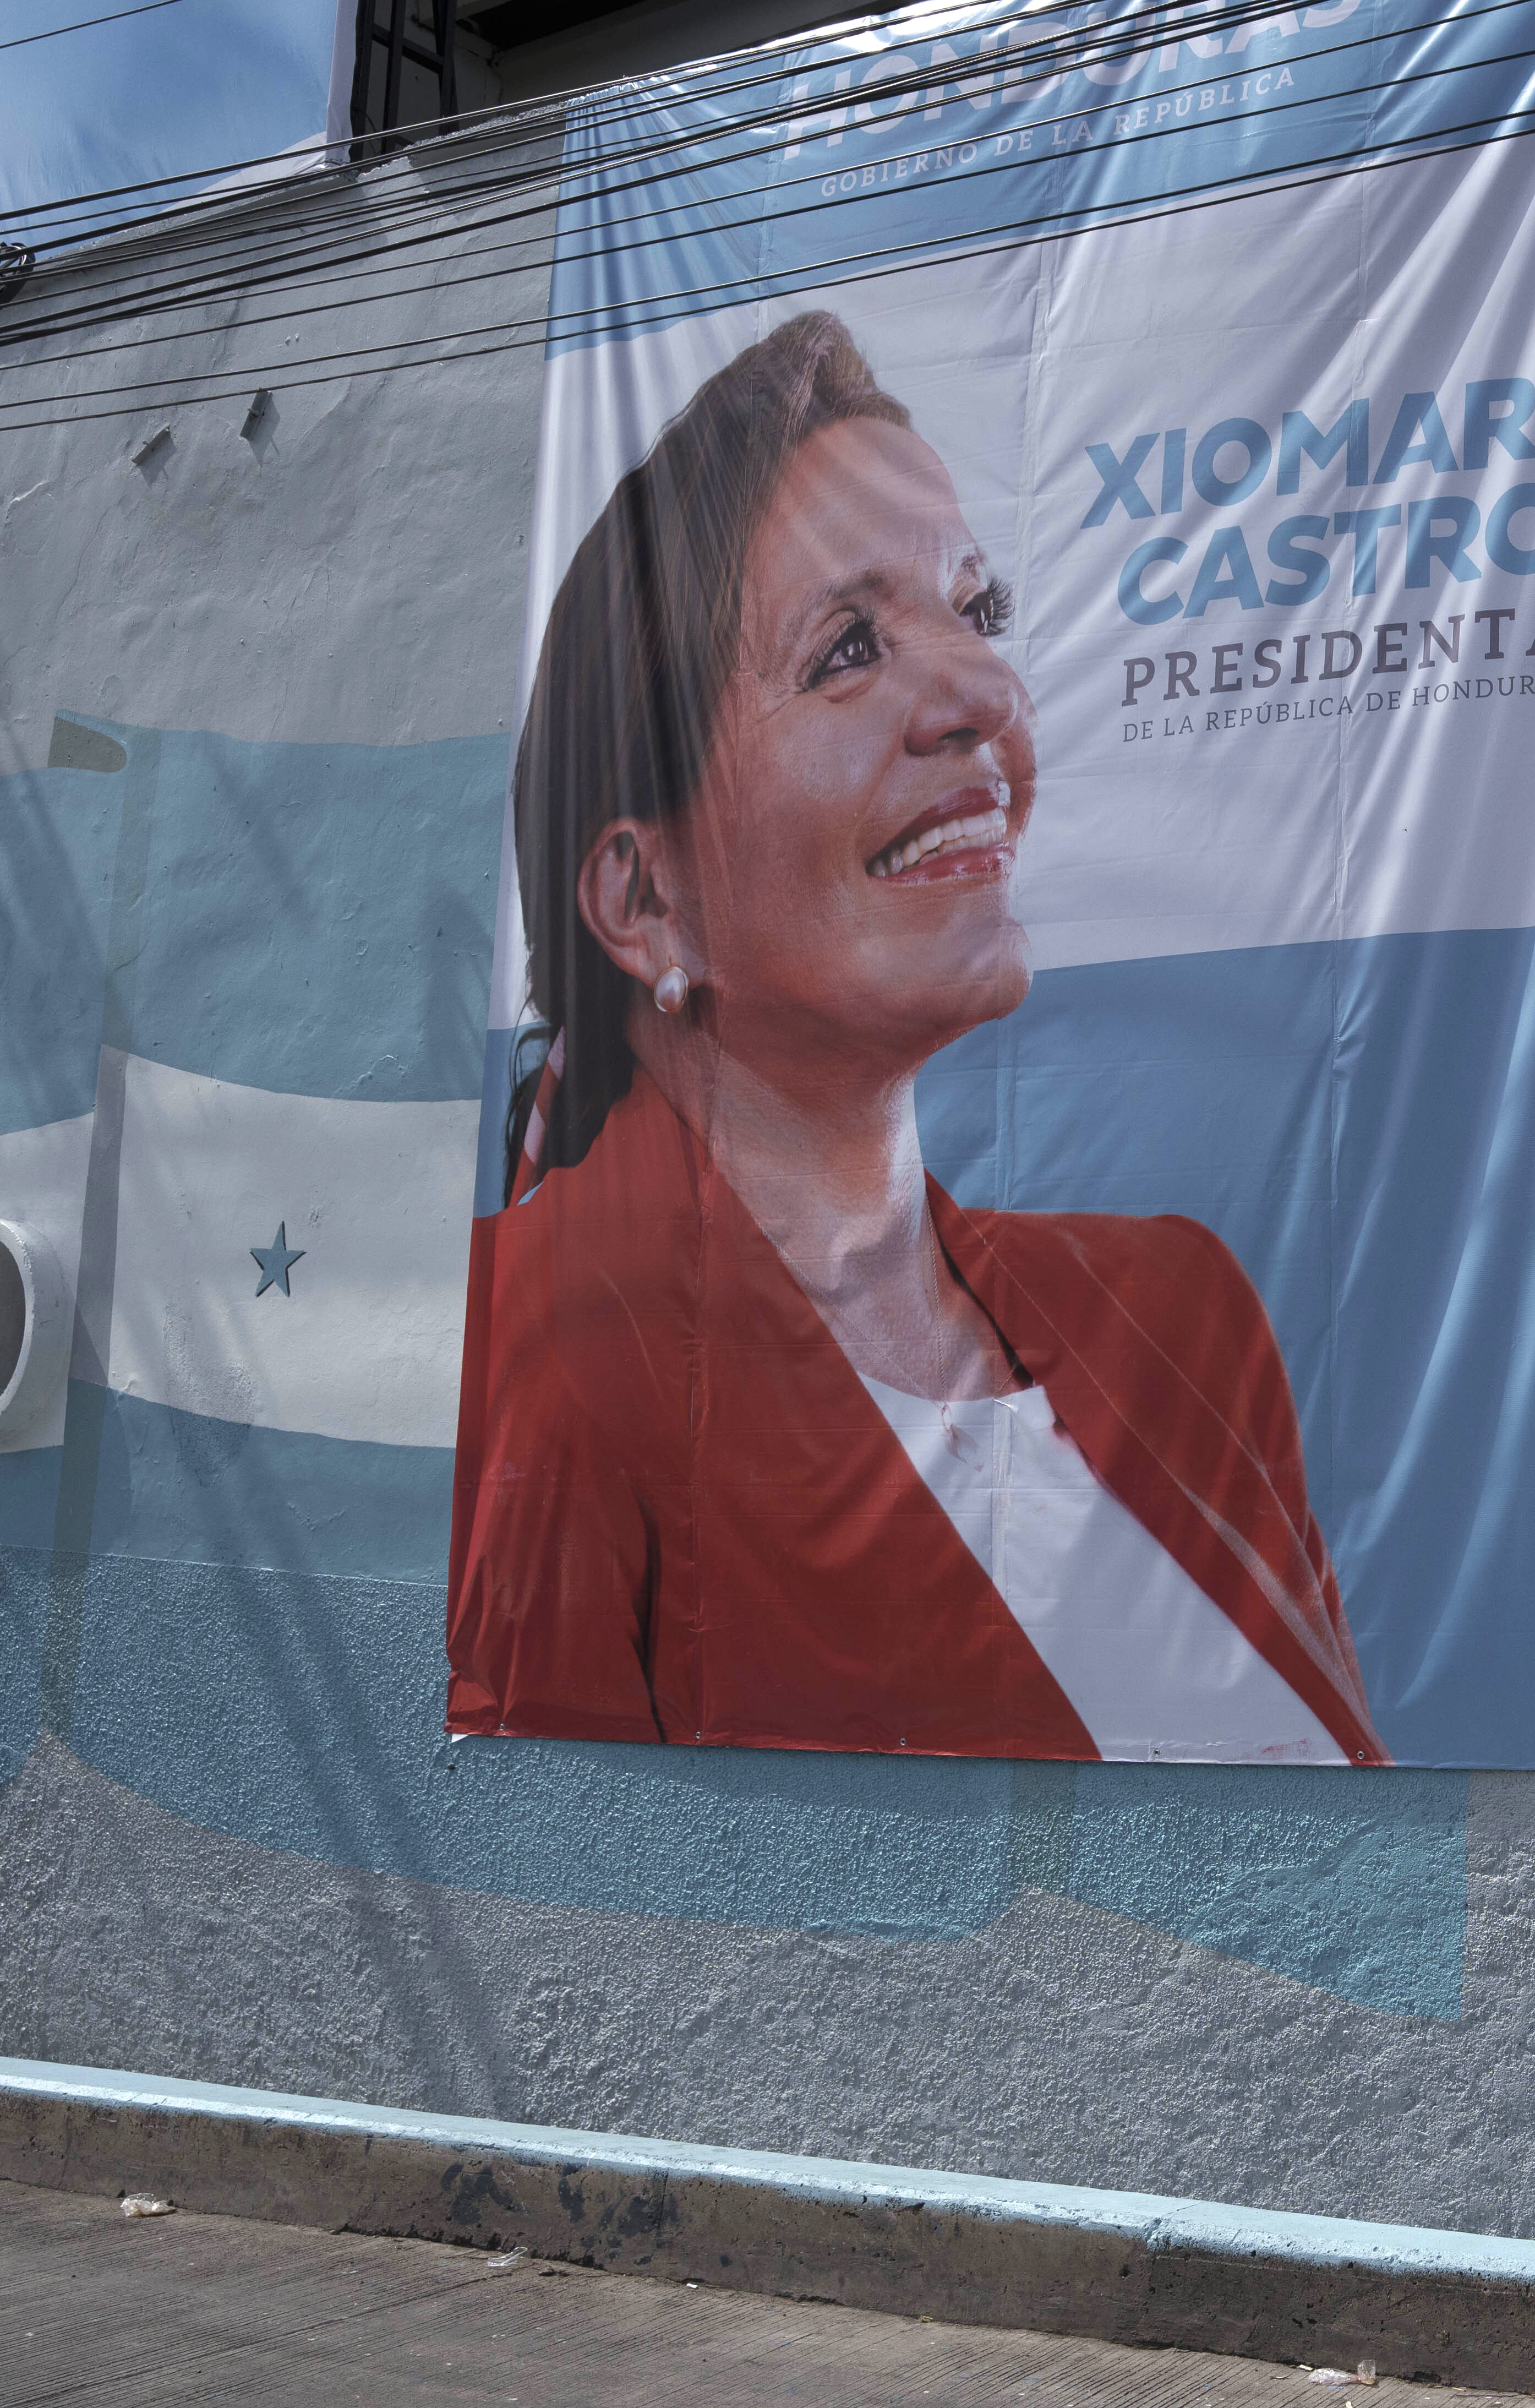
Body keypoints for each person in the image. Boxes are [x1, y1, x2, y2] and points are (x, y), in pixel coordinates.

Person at [447, 310, 1380, 1764]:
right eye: (849, 649)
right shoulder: (541, 1345)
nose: (989, 695)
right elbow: (544, 1910)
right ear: (646, 900)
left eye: (979, 614)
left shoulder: (1180, 1317)